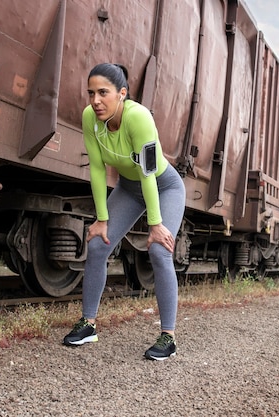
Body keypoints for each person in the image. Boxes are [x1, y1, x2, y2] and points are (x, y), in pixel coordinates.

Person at [63, 63, 186, 361]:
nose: (95, 100)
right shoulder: (90, 118)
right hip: (130, 189)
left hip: (163, 186)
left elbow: (148, 175)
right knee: (97, 243)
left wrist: (155, 225)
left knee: (159, 250)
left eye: (103, 93)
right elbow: (96, 169)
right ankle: (88, 324)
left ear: (122, 93)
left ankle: (168, 337)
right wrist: (101, 219)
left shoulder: (139, 118)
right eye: (91, 93)